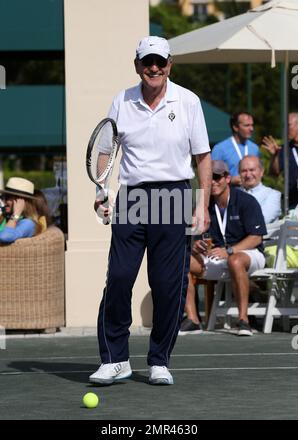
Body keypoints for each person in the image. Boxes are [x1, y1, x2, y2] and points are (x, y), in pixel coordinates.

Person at [89, 36, 212, 386]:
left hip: (173, 196)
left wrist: (201, 203)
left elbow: (202, 156)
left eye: (160, 62)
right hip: (131, 198)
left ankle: (159, 361)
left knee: (166, 284)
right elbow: (105, 148)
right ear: (137, 66)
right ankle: (115, 360)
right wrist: (102, 190)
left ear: (170, 65)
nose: (153, 68)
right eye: (147, 62)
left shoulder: (188, 101)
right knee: (121, 278)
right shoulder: (121, 100)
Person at [181, 160, 266, 336]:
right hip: (218, 257)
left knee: (235, 260)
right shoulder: (203, 205)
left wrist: (230, 251)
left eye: (217, 177)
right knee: (182, 261)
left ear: (227, 178)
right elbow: (196, 238)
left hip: (248, 255)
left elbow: (256, 238)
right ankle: (193, 320)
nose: (213, 182)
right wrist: (197, 245)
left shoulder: (246, 201)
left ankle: (243, 320)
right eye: (209, 177)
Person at [262, 112, 298, 209]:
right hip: (294, 205)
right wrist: (275, 155)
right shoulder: (285, 149)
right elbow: (274, 173)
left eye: (289, 125)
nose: (286, 129)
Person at [212, 111, 259, 186]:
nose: (251, 129)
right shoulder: (220, 149)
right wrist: (230, 180)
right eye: (247, 125)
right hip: (229, 194)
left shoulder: (255, 148)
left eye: (252, 125)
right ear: (235, 127)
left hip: (251, 194)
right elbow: (211, 177)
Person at [239, 155, 282, 224]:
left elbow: (262, 220)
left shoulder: (272, 195)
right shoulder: (232, 195)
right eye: (244, 171)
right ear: (239, 173)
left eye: (252, 170)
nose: (248, 175)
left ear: (261, 172)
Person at [0, 177, 42, 243]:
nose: (4, 201)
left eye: (8, 197)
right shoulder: (6, 217)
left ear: (21, 202)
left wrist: (16, 214)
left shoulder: (28, 223)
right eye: (3, 197)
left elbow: (4, 236)